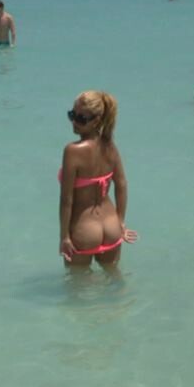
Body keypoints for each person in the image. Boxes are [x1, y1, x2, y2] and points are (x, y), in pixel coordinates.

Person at [58, 91, 137, 267]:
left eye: (81, 118)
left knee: (78, 283)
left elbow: (66, 200)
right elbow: (122, 185)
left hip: (84, 229)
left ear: (97, 120)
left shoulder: (72, 151)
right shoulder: (110, 146)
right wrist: (121, 222)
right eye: (72, 115)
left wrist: (64, 237)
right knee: (114, 277)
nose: (74, 121)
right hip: (112, 226)